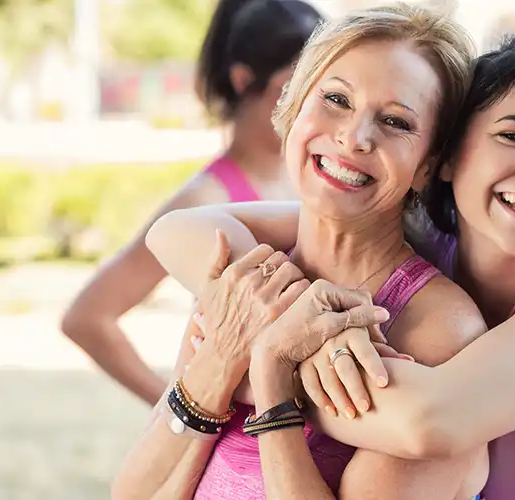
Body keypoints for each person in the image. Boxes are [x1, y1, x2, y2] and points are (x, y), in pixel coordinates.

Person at [152, 35, 515, 499]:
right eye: (514, 137)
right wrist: (292, 318)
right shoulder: (430, 242)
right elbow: (181, 230)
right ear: (448, 160)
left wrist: (268, 357)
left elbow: (428, 423)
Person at [111, 4, 488, 499]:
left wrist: (272, 376)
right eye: (336, 98)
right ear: (292, 106)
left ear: (428, 166)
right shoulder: (249, 282)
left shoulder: (437, 330)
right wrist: (226, 359)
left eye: (395, 122)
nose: (353, 137)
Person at [60, 0, 321, 405]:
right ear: (242, 80)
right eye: (291, 88)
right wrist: (178, 406)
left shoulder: (319, 177)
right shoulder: (208, 199)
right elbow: (88, 318)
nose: (307, 108)